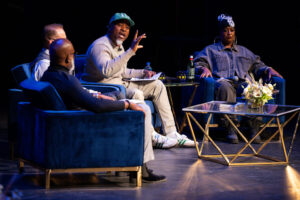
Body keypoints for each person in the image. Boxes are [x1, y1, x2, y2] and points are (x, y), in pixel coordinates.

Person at [41, 38, 166, 182]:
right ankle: (140, 166)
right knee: (141, 109)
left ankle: (134, 163)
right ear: (69, 58)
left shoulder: (49, 75)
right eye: (73, 54)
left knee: (122, 96)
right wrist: (126, 104)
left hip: (81, 113)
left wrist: (97, 95)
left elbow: (80, 96)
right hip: (88, 122)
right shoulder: (67, 80)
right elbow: (97, 106)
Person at [84, 12, 196, 148]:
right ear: (109, 27)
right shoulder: (101, 46)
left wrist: (143, 73)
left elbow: (121, 71)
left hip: (119, 84)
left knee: (157, 85)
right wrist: (131, 51)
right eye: (120, 25)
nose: (124, 29)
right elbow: (106, 71)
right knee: (137, 93)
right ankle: (151, 136)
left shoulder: (119, 46)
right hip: (106, 88)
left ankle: (172, 133)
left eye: (127, 27)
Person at [194, 14, 283, 144]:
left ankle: (254, 126)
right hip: (223, 81)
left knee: (253, 89)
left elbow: (257, 65)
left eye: (232, 30)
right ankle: (231, 127)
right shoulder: (211, 50)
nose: (229, 33)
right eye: (225, 30)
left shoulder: (244, 51)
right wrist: (204, 69)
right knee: (226, 88)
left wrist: (267, 69)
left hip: (242, 82)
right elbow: (198, 62)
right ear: (220, 33)